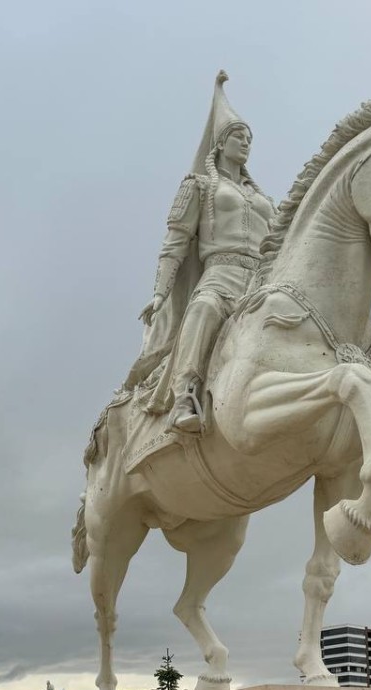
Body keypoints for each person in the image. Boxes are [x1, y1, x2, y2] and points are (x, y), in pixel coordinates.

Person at [123, 72, 276, 434]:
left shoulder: (264, 199)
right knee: (204, 309)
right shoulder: (200, 186)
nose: (246, 143)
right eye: (239, 137)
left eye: (250, 139)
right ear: (220, 143)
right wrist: (159, 294)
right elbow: (175, 243)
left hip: (260, 281)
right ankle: (185, 394)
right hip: (219, 274)